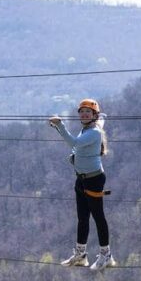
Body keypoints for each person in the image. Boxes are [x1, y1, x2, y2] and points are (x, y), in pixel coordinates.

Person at [48, 99, 116, 270]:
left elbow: (75, 143)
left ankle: (106, 255)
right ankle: (80, 254)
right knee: (82, 218)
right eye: (82, 112)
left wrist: (60, 126)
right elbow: (78, 147)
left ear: (94, 115)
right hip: (82, 179)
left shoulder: (93, 132)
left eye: (88, 112)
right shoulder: (88, 129)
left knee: (98, 217)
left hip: (94, 179)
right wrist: (74, 156)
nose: (84, 114)